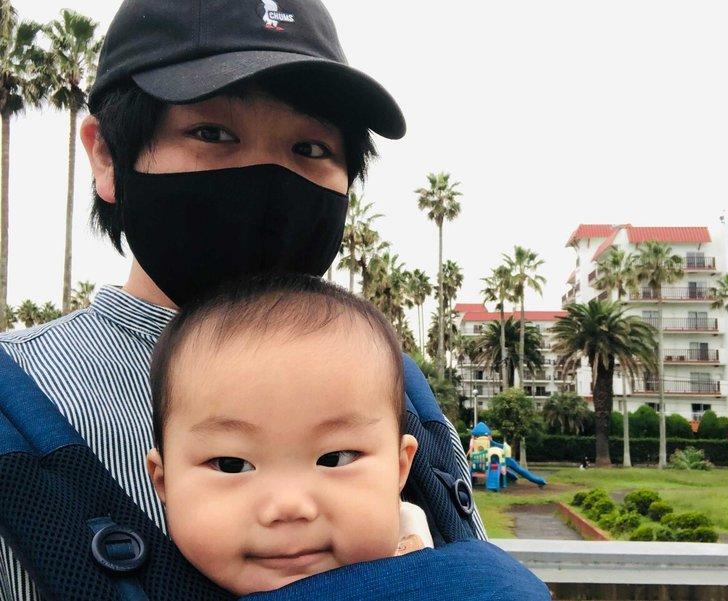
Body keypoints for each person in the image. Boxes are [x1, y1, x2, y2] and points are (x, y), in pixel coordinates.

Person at [0, 1, 484, 598]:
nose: (267, 180)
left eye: (311, 148)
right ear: (106, 155)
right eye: (212, 133)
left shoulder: (400, 393)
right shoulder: (13, 407)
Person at [145, 273, 434, 594]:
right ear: (164, 481)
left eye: (334, 458)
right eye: (231, 464)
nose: (289, 507)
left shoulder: (437, 575)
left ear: (400, 468)